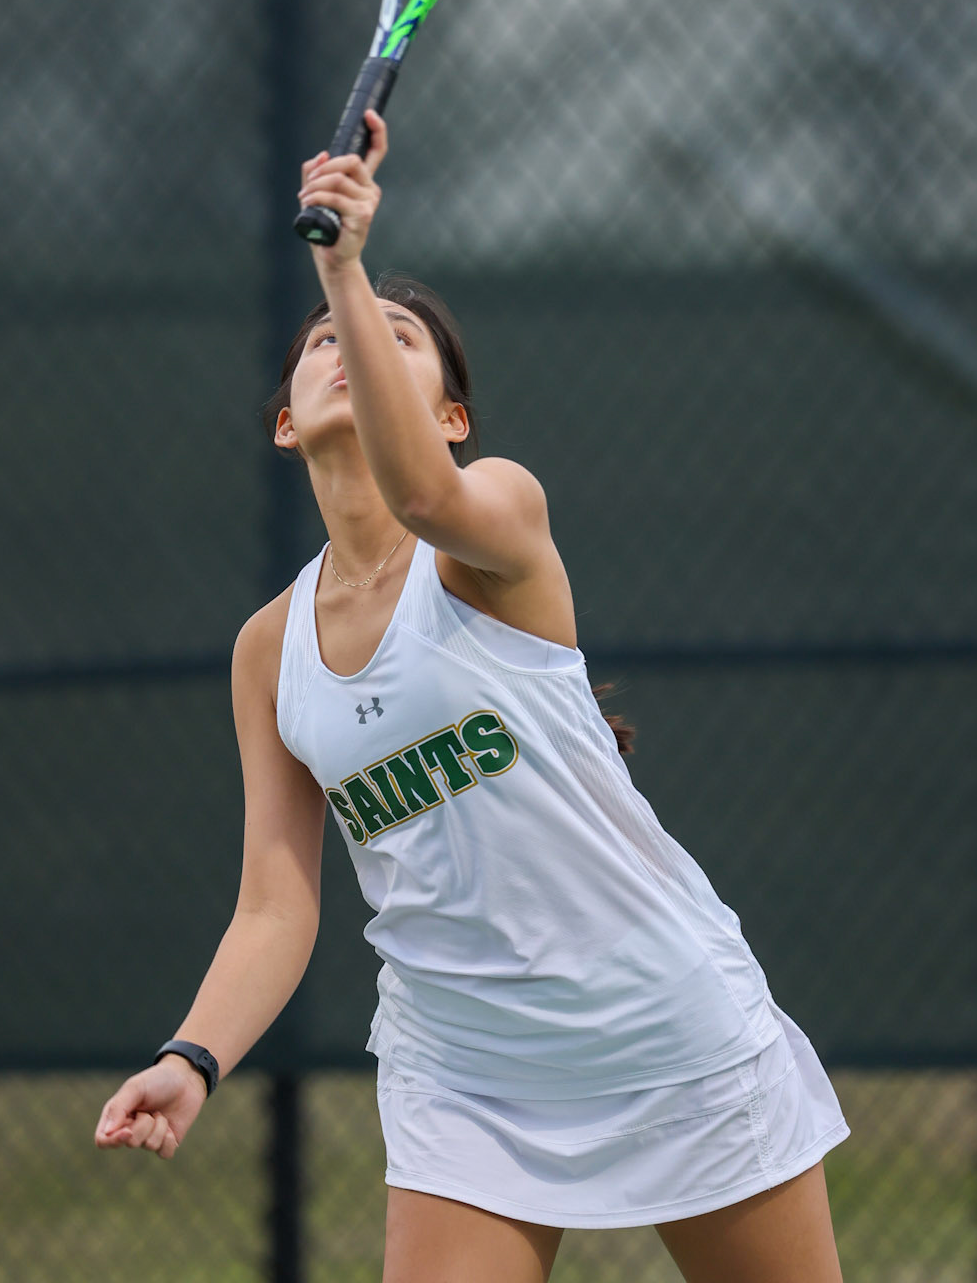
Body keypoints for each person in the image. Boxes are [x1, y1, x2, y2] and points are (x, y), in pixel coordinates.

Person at [96, 116, 848, 1282]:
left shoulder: (491, 525)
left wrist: (344, 273)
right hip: (464, 1072)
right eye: (326, 341)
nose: (350, 345)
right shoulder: (269, 648)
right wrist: (191, 1057)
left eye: (395, 339)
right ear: (286, 422)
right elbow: (275, 905)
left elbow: (423, 496)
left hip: (663, 1027)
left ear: (450, 418)